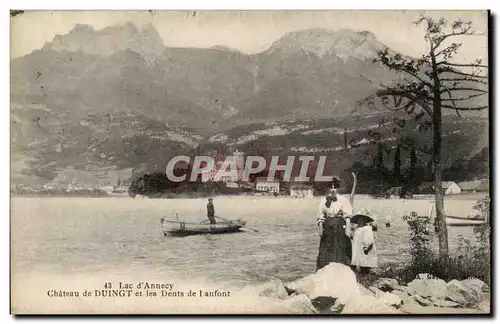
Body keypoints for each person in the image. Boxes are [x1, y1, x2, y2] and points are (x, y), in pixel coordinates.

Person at [316, 177, 353, 271]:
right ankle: (324, 268)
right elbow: (320, 216)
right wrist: (320, 228)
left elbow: (347, 216)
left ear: (338, 188)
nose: (333, 189)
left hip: (339, 226)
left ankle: (341, 268)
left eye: (335, 187)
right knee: (326, 247)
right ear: (328, 188)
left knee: (339, 246)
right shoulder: (324, 200)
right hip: (327, 226)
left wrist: (348, 228)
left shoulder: (343, 200)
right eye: (331, 187)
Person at [350, 209, 379, 276]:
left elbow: (369, 238)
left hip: (364, 248)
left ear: (365, 220)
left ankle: (365, 273)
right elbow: (354, 236)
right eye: (359, 220)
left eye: (362, 220)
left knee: (365, 261)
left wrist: (366, 245)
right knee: (359, 260)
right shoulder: (357, 228)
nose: (360, 221)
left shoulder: (367, 228)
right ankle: (359, 272)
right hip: (357, 247)